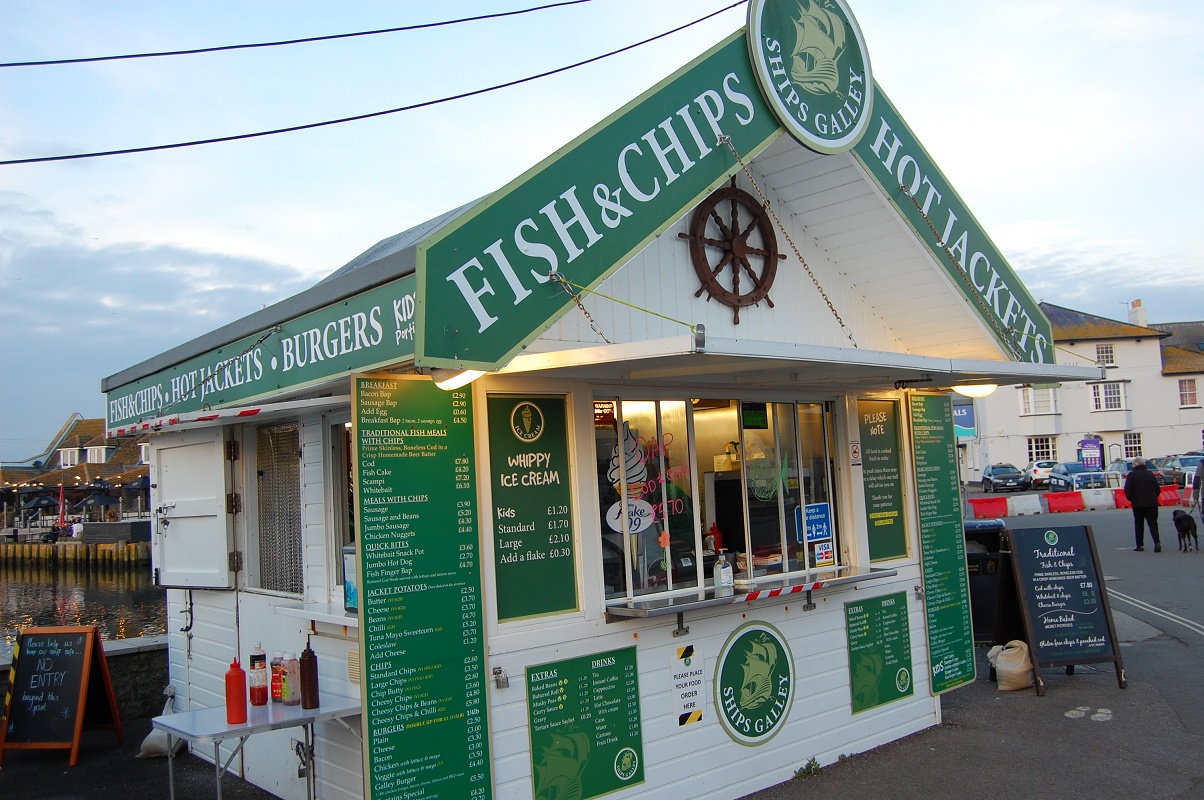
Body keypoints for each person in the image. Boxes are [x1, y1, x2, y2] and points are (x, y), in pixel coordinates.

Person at [1124, 457, 1162, 552]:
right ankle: (1157, 542)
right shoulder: (1150, 474)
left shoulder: (1132, 475)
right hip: (1152, 503)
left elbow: (1128, 490)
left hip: (1138, 503)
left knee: (1139, 524)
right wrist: (1153, 497)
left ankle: (1139, 545)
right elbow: (1157, 489)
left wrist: (1131, 498)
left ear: (1135, 465)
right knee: (1153, 523)